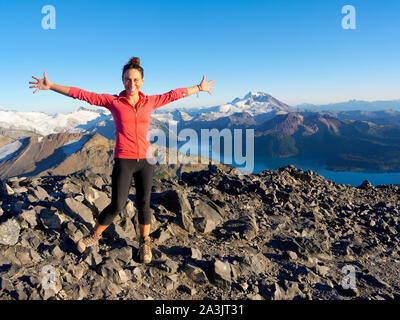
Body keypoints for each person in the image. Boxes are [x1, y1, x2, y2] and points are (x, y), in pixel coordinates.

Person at [29, 56, 215, 263]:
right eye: (127, 80)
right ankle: (94, 235)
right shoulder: (114, 102)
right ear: (122, 80)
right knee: (117, 204)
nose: (131, 84)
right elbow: (83, 95)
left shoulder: (150, 102)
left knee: (144, 203)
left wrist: (198, 88)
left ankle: (144, 242)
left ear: (142, 81)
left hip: (146, 161)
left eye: (135, 80)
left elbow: (173, 95)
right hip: (124, 161)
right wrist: (52, 86)